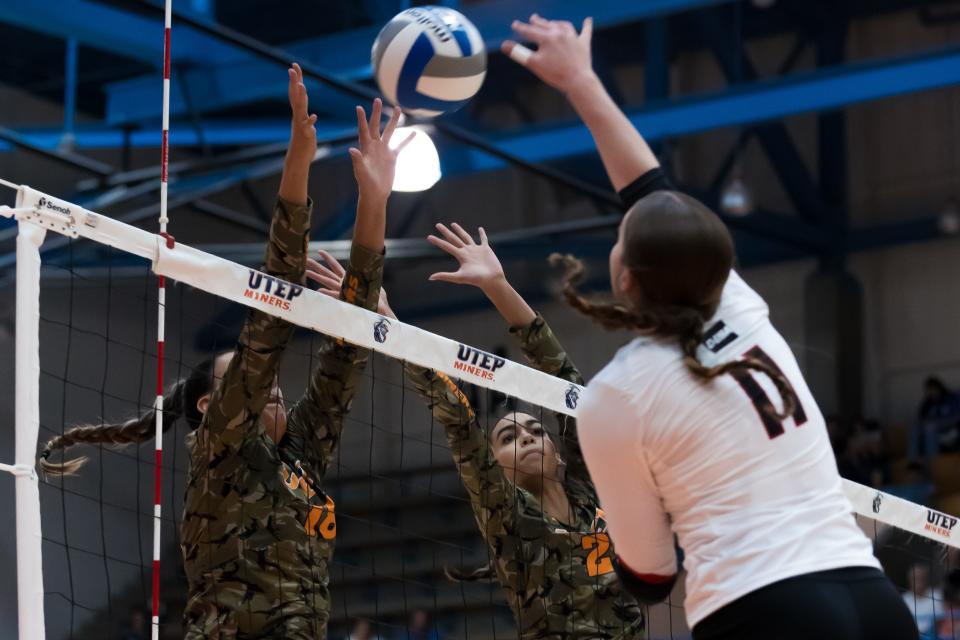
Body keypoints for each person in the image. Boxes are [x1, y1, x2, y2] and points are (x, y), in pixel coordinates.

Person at [502, 14, 918, 640]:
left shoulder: (618, 395)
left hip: (765, 612)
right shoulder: (740, 307)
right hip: (875, 600)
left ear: (626, 280)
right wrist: (581, 82)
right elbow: (653, 195)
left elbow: (650, 578)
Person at [38, 65, 413, 639]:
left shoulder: (302, 456)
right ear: (212, 406)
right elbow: (272, 311)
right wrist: (299, 160)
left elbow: (351, 344)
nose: (272, 384)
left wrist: (374, 198)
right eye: (247, 379)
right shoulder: (224, 447)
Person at [306, 225, 645, 638]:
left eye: (536, 431)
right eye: (508, 438)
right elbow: (456, 417)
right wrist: (391, 325)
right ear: (494, 469)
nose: (526, 437)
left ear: (559, 454)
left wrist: (497, 285)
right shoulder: (505, 509)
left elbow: (566, 385)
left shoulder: (589, 491)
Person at [909, 377, 960, 465]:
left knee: (930, 427)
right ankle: (912, 463)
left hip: (950, 431)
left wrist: (938, 423)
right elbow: (921, 418)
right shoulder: (927, 404)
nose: (931, 392)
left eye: (933, 389)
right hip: (932, 434)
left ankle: (933, 464)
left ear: (939, 388)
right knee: (914, 427)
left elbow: (956, 417)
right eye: (929, 390)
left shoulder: (951, 398)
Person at [902, 563, 943, 639]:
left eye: (920, 578)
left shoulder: (937, 596)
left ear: (926, 579)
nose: (918, 582)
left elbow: (941, 622)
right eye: (914, 578)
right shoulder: (904, 599)